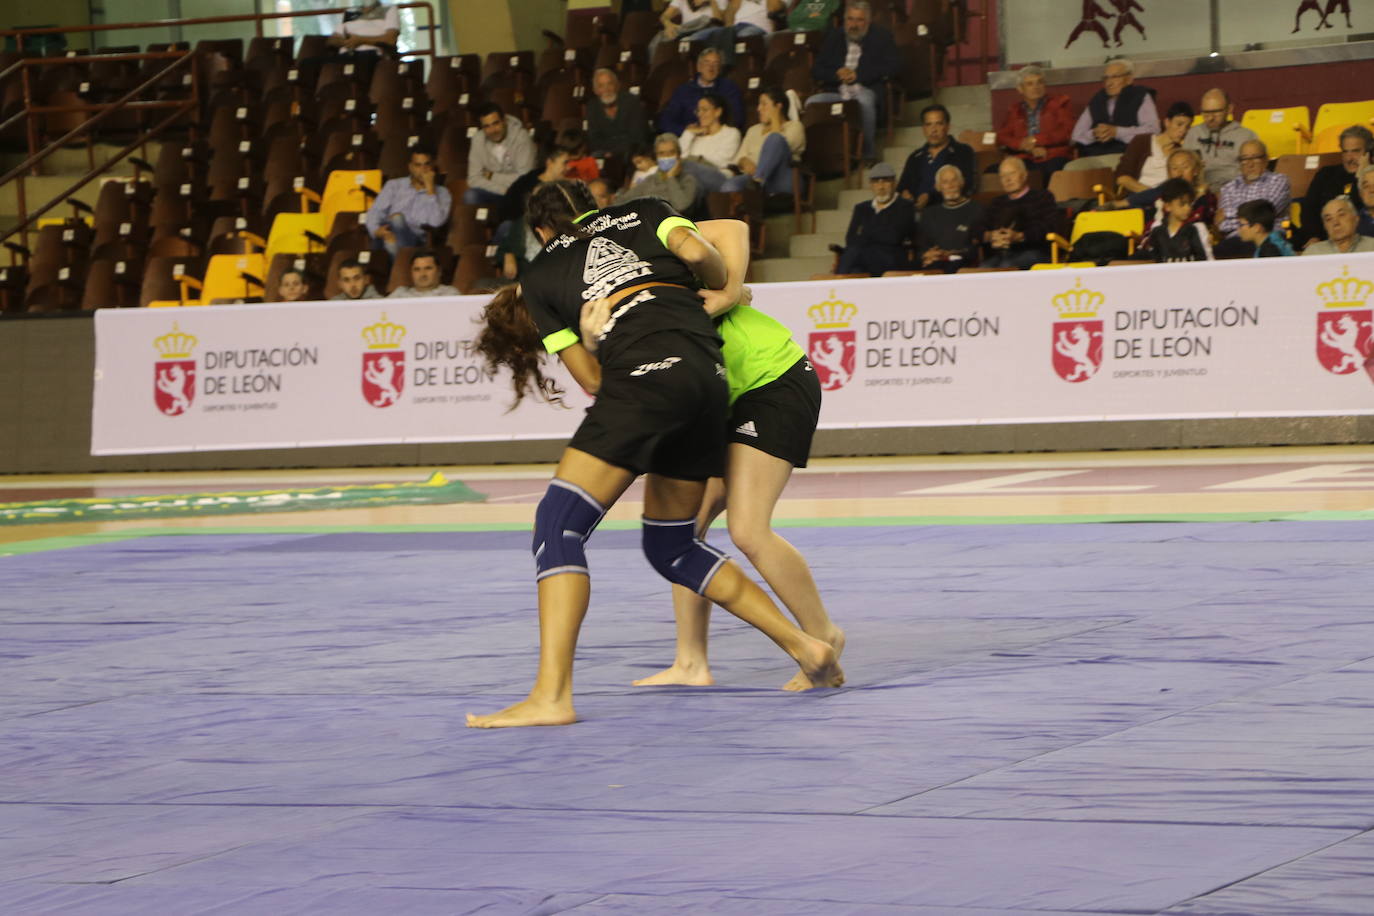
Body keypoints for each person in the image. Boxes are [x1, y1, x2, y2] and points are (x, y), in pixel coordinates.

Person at [465, 181, 843, 728]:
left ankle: (552, 696)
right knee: (675, 542)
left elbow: (594, 380)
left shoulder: (545, 273)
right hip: (709, 382)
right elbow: (707, 244)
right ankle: (789, 650)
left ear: (541, 234)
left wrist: (597, 338)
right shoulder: (643, 218)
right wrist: (726, 285)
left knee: (559, 526)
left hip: (724, 380)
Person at [630, 226, 844, 692]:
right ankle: (690, 663)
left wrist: (729, 291)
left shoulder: (644, 242)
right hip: (721, 397)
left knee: (748, 529)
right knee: (683, 532)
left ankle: (823, 634)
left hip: (772, 379)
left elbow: (734, 228)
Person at [806, 1, 899, 161]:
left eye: (859, 20)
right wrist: (837, 73)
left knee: (865, 101)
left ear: (868, 22)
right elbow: (817, 70)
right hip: (837, 92)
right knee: (811, 102)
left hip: (865, 88)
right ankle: (818, 158)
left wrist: (858, 75)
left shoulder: (881, 36)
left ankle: (868, 154)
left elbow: (894, 66)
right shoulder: (834, 36)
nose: (853, 25)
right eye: (850, 19)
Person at [1069, 57, 1158, 168]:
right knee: (1071, 169)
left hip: (1126, 155)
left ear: (1129, 79)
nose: (1108, 83)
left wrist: (1117, 132)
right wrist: (1094, 134)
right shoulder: (1098, 99)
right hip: (1093, 155)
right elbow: (1075, 137)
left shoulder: (1141, 96)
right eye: (1106, 78)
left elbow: (1153, 131)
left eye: (1115, 77)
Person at [364, 146, 452, 257]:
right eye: (418, 165)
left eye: (427, 164)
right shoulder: (394, 185)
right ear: (410, 167)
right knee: (388, 237)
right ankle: (399, 262)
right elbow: (375, 211)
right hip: (387, 233)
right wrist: (376, 230)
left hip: (416, 240)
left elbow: (436, 222)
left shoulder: (443, 193)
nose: (423, 170)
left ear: (432, 166)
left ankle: (398, 261)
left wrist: (430, 190)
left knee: (397, 219)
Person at [978, 157, 1063, 268]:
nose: (1008, 179)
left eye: (1012, 174)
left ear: (1024, 175)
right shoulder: (996, 203)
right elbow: (977, 228)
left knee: (1007, 266)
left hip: (1035, 251)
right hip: (1002, 254)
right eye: (1003, 176)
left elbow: (1050, 226)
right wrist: (990, 236)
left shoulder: (1042, 197)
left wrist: (1020, 236)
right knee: (983, 269)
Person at [720, 88, 805, 196]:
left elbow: (779, 147)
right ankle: (757, 185)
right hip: (751, 177)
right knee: (729, 186)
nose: (759, 109)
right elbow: (739, 158)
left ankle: (759, 181)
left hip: (781, 178)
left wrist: (775, 118)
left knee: (775, 139)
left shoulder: (795, 126)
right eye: (759, 105)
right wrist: (745, 162)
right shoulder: (753, 130)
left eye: (764, 104)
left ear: (778, 107)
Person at [835, 162, 915, 275]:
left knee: (853, 253)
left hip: (891, 259)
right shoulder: (861, 208)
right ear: (871, 185)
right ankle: (841, 284)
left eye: (886, 181)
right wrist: (880, 232)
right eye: (876, 181)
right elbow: (850, 239)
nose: (881, 187)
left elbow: (894, 237)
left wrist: (865, 234)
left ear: (894, 183)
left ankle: (836, 285)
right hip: (864, 259)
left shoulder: (905, 206)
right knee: (855, 270)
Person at [995, 65, 1074, 178]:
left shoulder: (1059, 103)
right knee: (993, 171)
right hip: (1025, 157)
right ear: (1020, 89)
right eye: (1030, 84)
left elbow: (1067, 131)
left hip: (1052, 155)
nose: (1036, 87)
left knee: (1049, 170)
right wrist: (1022, 145)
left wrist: (1036, 140)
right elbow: (1001, 137)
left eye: (1039, 82)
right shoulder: (1015, 110)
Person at [1301, 125, 1373, 243]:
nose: (1349, 158)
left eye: (1355, 151)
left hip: (1362, 241)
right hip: (1325, 240)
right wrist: (1313, 236)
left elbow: (1363, 209)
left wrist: (1361, 176)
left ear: (1368, 153)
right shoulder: (1325, 174)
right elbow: (1309, 209)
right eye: (1345, 151)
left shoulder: (1371, 179)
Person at [897, 103, 975, 210]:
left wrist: (930, 197)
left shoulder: (962, 151)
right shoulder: (915, 157)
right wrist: (905, 193)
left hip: (948, 210)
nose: (933, 130)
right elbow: (902, 186)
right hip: (914, 212)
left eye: (939, 124)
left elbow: (966, 185)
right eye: (928, 124)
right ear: (923, 128)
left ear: (947, 126)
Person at [1214, 139, 1290, 245]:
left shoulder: (1278, 181)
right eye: (1244, 159)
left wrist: (1227, 213)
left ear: (1266, 160)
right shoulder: (1228, 188)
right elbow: (1223, 225)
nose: (1250, 164)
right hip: (1235, 239)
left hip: (1268, 237)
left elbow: (1265, 213)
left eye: (1255, 158)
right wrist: (1253, 218)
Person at [658, 48, 745, 137]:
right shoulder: (683, 90)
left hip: (717, 137)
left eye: (715, 64)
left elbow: (737, 118)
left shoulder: (729, 88)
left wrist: (713, 130)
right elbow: (666, 121)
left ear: (720, 69)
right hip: (689, 137)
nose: (711, 68)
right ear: (699, 67)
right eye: (707, 63)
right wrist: (687, 131)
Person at [465, 102, 537, 208]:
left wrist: (491, 176)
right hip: (496, 192)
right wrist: (503, 190)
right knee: (470, 196)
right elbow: (473, 178)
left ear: (504, 121)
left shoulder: (522, 138)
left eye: (496, 123)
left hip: (521, 194)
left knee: (508, 222)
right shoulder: (478, 139)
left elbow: (524, 180)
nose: (493, 130)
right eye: (487, 126)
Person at [1114, 100, 1192, 198]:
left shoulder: (1180, 154)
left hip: (1167, 202)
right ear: (1167, 122)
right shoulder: (1142, 141)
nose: (1183, 130)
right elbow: (1122, 178)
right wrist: (1152, 195)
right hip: (1137, 197)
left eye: (1187, 127)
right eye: (1179, 124)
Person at [1183, 88, 1258, 189]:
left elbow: (1254, 171)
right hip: (1200, 189)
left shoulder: (1246, 136)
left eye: (1216, 112)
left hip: (1235, 189)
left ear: (1229, 109)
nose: (1210, 118)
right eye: (1206, 113)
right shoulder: (1194, 133)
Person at [917, 163, 985, 270]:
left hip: (963, 265)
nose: (950, 186)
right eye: (945, 182)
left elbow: (977, 247)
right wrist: (927, 255)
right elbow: (921, 247)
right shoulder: (928, 213)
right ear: (938, 187)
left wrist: (950, 255)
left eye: (954, 180)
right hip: (934, 264)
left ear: (962, 182)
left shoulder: (977, 209)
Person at [614, 135, 700, 213]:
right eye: (662, 153)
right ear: (656, 157)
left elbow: (680, 206)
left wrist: (670, 177)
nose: (666, 157)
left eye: (671, 152)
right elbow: (620, 202)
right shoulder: (650, 180)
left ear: (678, 155)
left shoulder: (688, 180)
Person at [678, 92, 743, 194]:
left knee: (684, 167)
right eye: (698, 110)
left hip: (718, 175)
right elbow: (679, 156)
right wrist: (688, 133)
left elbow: (721, 161)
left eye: (704, 110)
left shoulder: (731, 133)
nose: (699, 114)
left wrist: (693, 160)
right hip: (692, 177)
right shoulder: (696, 136)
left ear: (718, 112)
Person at [326, 0, 397, 87]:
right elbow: (332, 40)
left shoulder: (389, 9)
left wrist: (361, 40)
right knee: (309, 63)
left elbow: (390, 39)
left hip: (371, 53)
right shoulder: (350, 12)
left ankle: (359, 98)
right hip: (346, 53)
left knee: (363, 62)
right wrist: (346, 42)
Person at [1143, 177, 1214, 262]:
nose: (1188, 208)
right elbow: (1153, 258)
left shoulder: (1197, 228)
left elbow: (1206, 259)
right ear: (1168, 206)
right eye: (1182, 204)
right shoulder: (1157, 229)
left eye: (1189, 203)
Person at [586, 68, 651, 161]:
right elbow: (593, 139)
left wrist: (613, 152)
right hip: (605, 152)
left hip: (632, 150)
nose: (606, 89)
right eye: (601, 86)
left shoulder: (632, 102)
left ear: (617, 85)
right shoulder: (592, 107)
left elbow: (638, 136)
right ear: (595, 90)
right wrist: (607, 152)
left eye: (610, 84)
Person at [1303, 196, 1374, 256]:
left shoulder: (1371, 247)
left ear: (1356, 219)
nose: (1335, 223)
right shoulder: (1313, 253)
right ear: (1325, 226)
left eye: (1341, 215)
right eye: (1328, 219)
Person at [389, 248, 459, 297]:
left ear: (439, 271)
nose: (422, 274)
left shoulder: (450, 294)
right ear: (411, 272)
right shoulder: (400, 294)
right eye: (417, 269)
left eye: (428, 268)